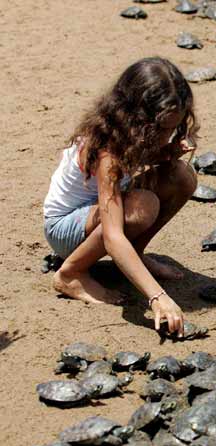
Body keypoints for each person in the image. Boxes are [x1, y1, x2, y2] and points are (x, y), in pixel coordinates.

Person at [43, 57, 200, 337]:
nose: (166, 137)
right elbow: (113, 234)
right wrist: (157, 297)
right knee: (143, 207)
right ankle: (71, 274)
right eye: (161, 130)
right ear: (138, 121)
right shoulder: (108, 151)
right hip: (64, 227)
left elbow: (141, 161)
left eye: (172, 129)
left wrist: (167, 154)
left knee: (181, 177)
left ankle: (133, 256)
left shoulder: (128, 135)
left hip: (93, 217)